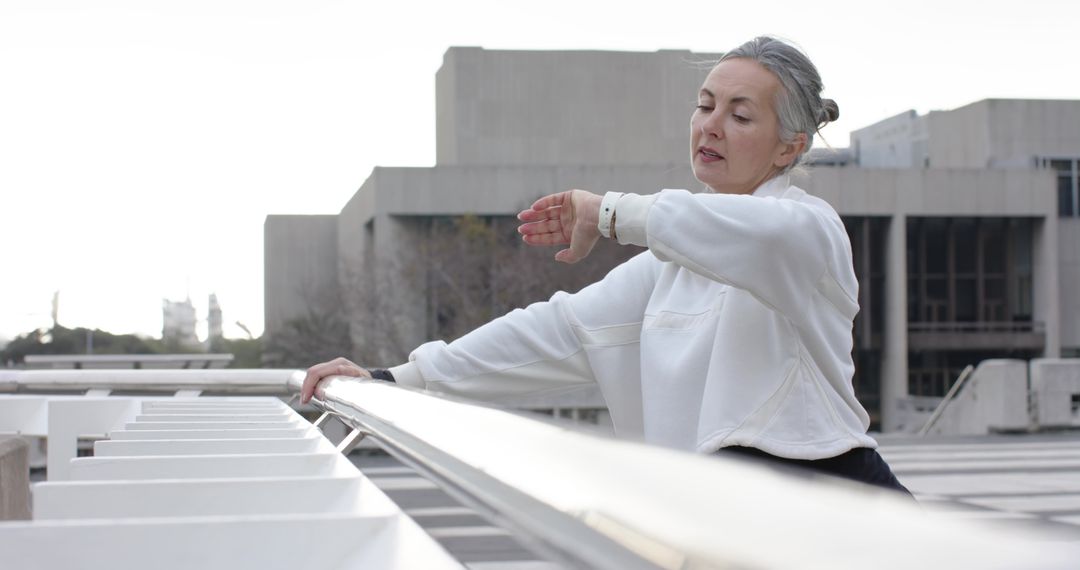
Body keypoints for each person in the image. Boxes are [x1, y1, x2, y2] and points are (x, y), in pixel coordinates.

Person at [302, 36, 910, 495]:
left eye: (740, 115)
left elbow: (750, 234)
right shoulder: (668, 266)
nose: (711, 126)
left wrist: (606, 212)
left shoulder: (808, 230)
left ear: (790, 147)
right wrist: (392, 379)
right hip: (730, 504)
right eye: (705, 106)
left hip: (832, 495)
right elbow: (554, 330)